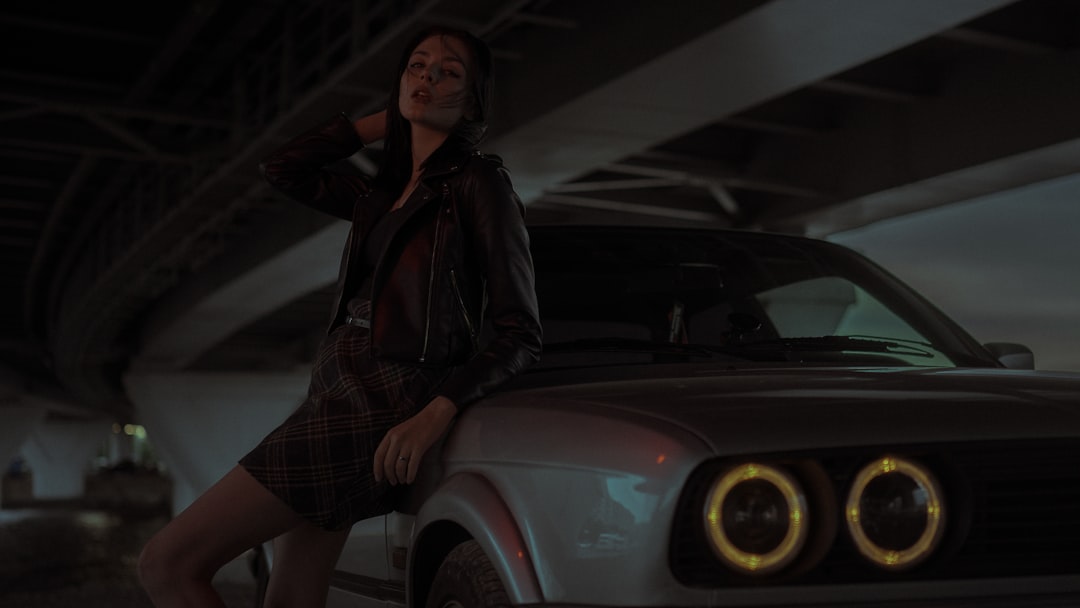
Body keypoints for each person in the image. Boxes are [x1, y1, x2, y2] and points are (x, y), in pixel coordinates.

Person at [138, 24, 542, 607]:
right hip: (334, 391)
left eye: (447, 72)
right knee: (290, 597)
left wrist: (433, 414)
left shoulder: (479, 184)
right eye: (416, 67)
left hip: (381, 401)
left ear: (474, 100)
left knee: (167, 564)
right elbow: (284, 169)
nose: (425, 77)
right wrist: (381, 122)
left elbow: (520, 334)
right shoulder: (380, 196)